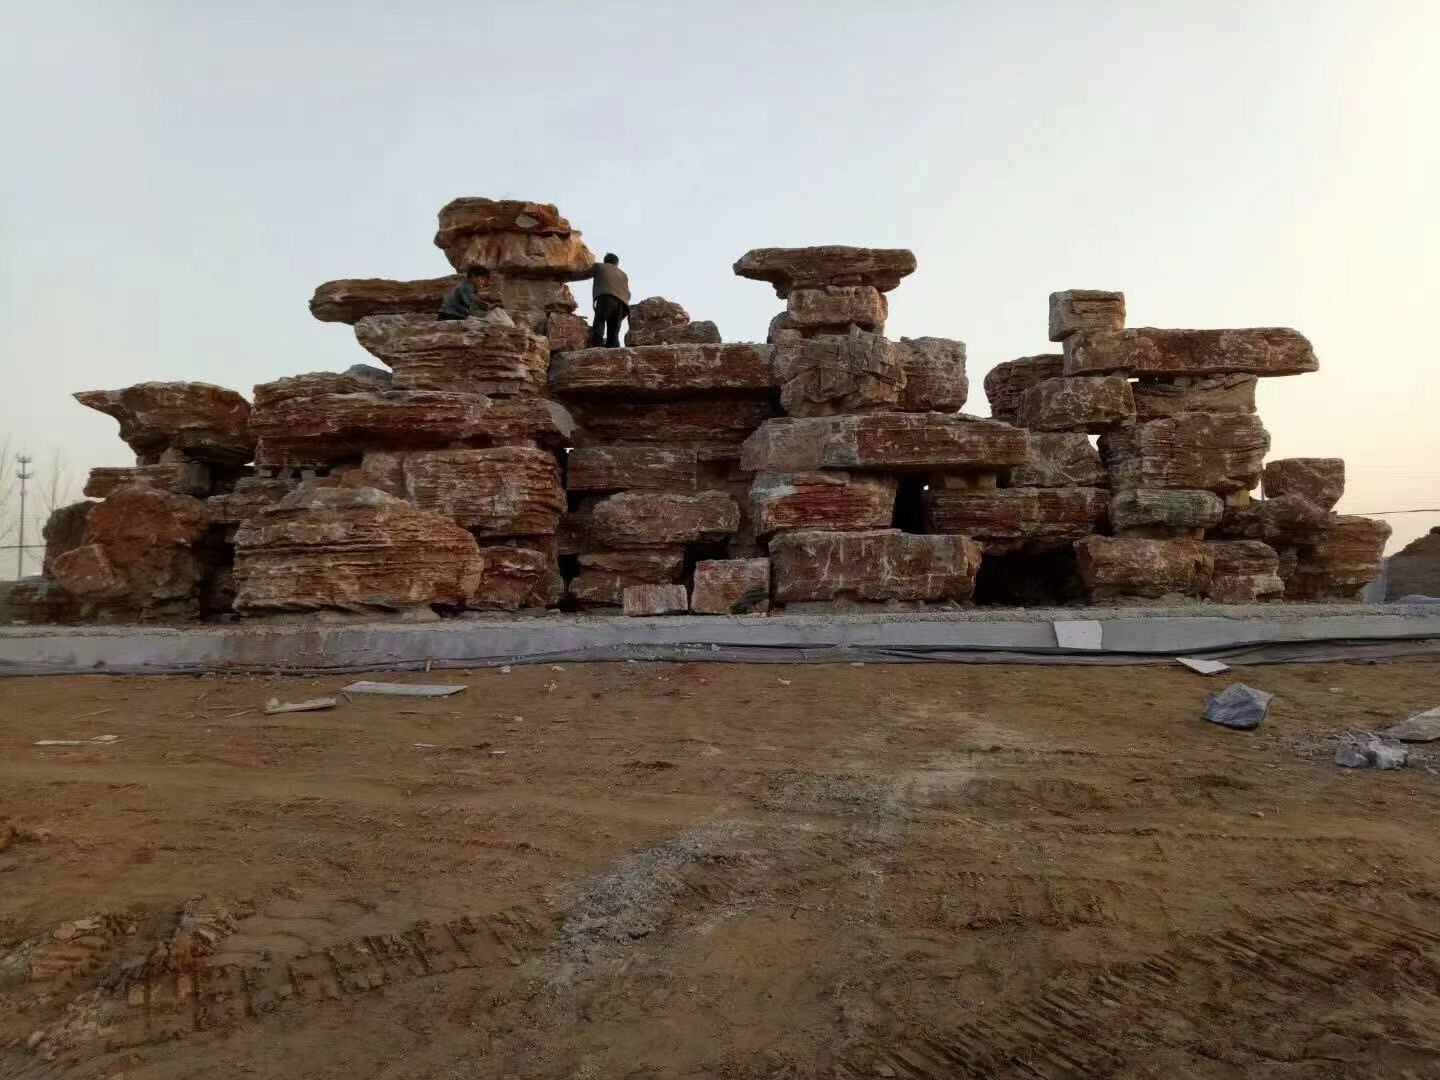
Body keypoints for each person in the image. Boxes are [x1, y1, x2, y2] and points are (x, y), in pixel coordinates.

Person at [579, 253, 630, 347]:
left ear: (605, 261)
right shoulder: (623, 274)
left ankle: (597, 347)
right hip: (622, 304)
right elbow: (628, 294)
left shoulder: (599, 266)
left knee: (600, 321)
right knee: (614, 332)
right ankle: (614, 352)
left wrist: (566, 276)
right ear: (616, 263)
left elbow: (583, 274)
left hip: (606, 298)